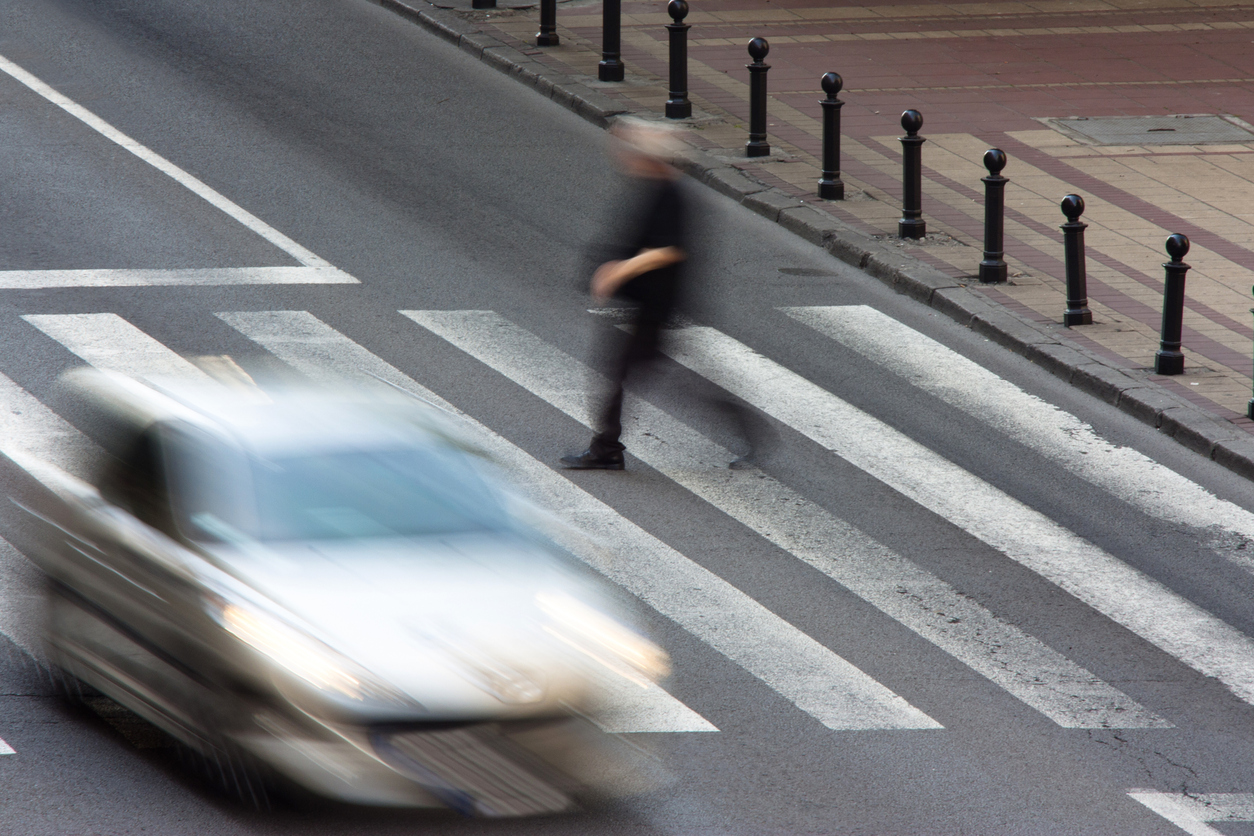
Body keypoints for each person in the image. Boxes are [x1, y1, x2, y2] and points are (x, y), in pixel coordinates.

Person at [561, 121, 690, 471]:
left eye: (634, 153)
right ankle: (606, 446)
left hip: (657, 305)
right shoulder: (655, 185)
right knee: (632, 372)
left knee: (623, 373)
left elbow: (668, 250)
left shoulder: (669, 193)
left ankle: (606, 448)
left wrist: (620, 270)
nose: (626, 158)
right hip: (647, 302)